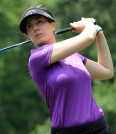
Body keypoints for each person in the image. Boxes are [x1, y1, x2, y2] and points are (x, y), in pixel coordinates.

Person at [19, 5, 114, 134]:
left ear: (53, 25)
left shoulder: (73, 56)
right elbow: (87, 38)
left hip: (98, 128)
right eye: (29, 26)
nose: (35, 28)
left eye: (39, 22)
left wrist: (99, 32)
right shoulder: (36, 59)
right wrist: (89, 24)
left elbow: (107, 71)